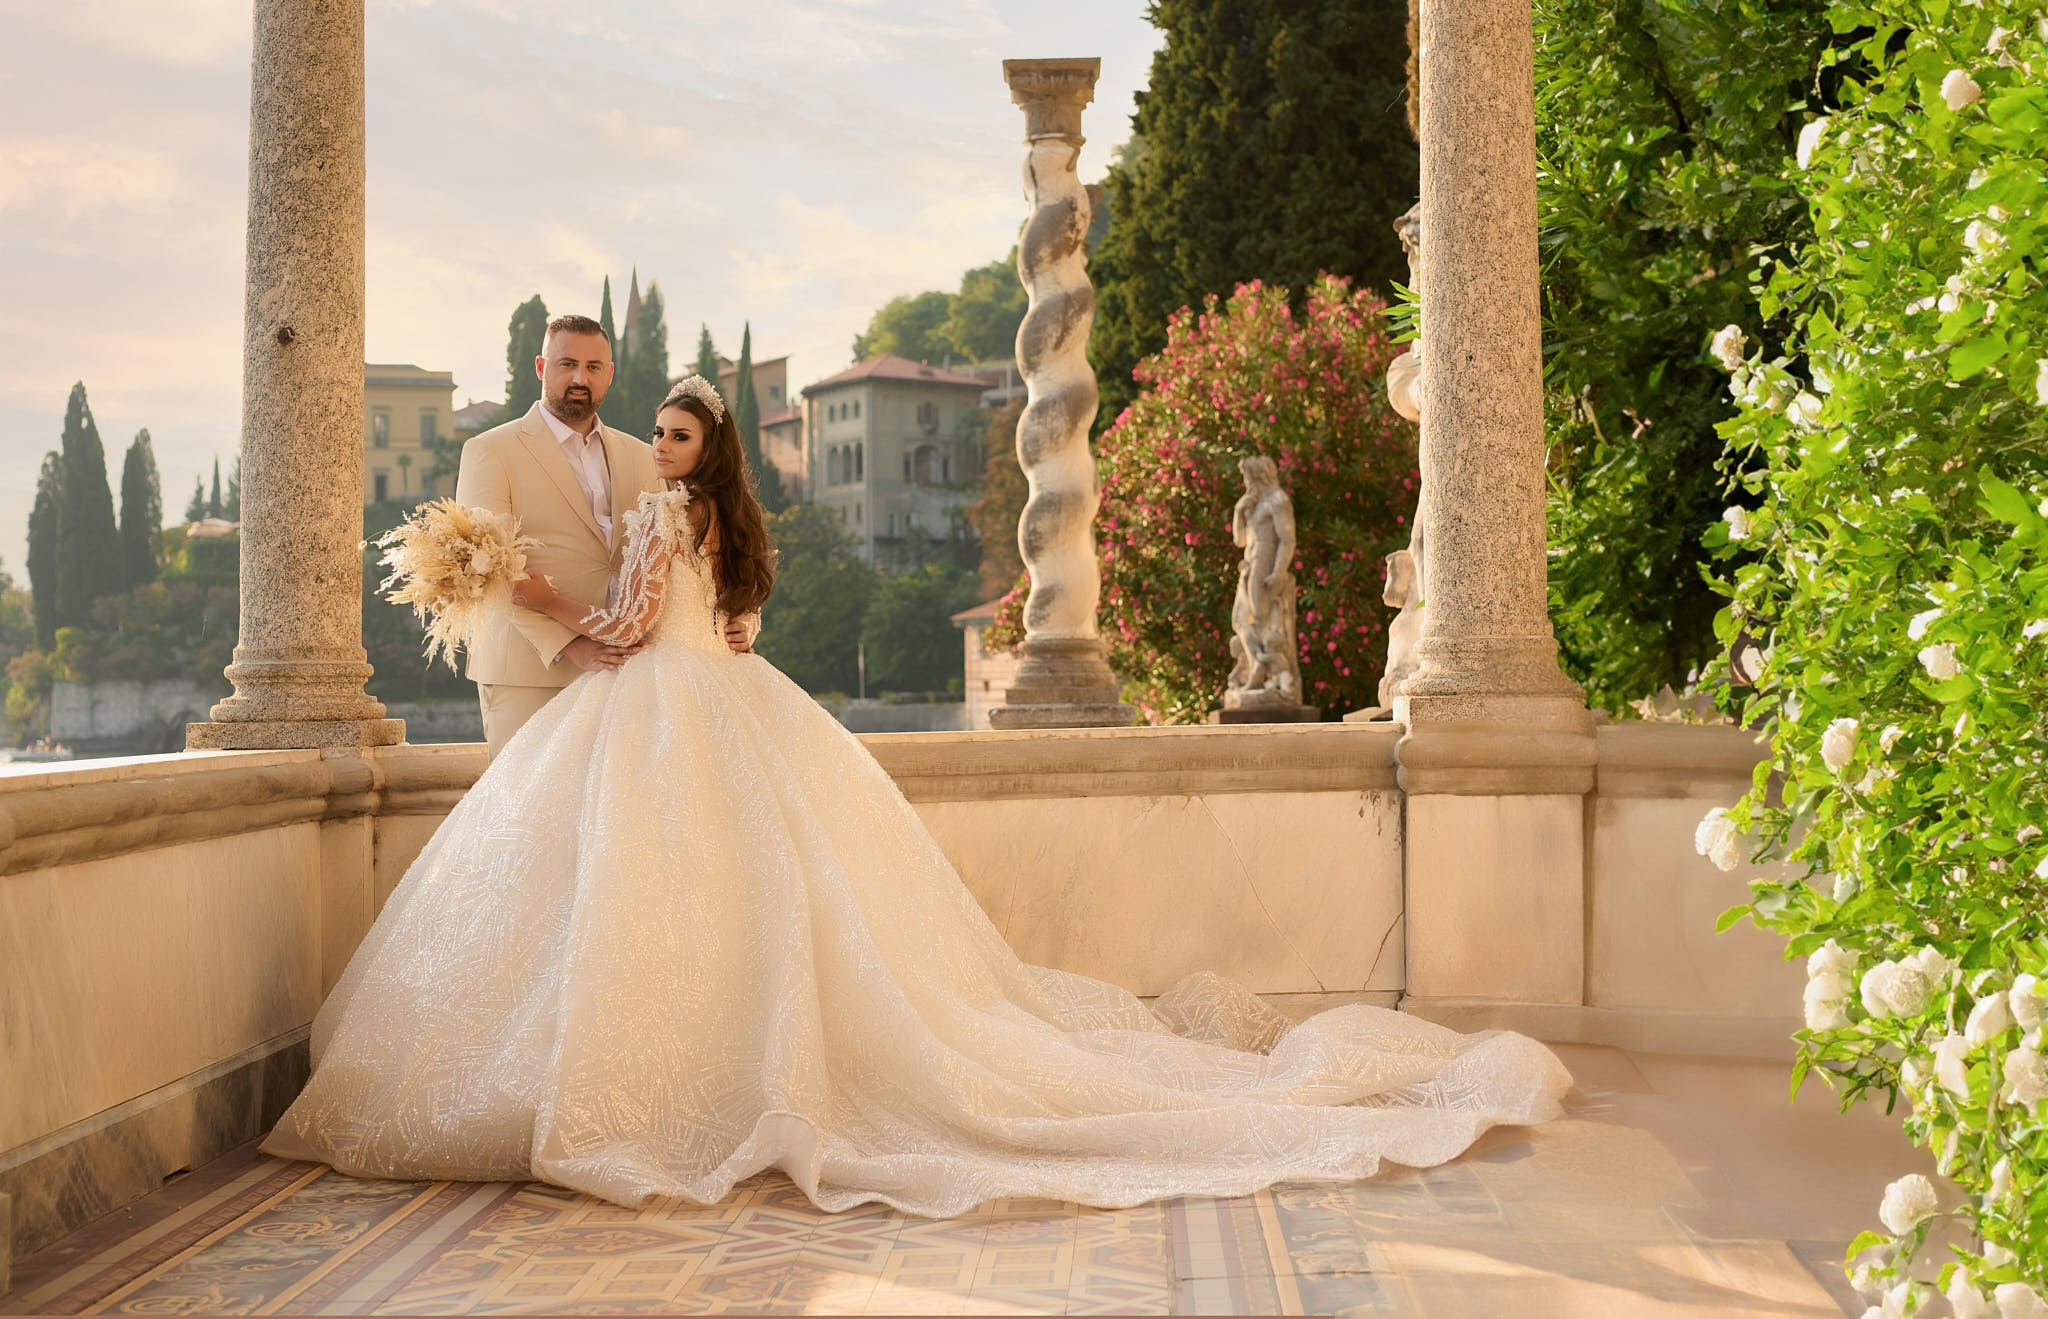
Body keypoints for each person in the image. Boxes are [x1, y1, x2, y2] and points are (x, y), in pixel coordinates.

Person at [262, 377, 1571, 1217]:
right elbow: (732, 630)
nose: (650, 442)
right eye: (654, 428)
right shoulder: (728, 524)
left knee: (642, 891)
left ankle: (675, 1086)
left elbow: (621, 621)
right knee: (743, 897)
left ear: (698, 450)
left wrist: (517, 586)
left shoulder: (664, 520)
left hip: (660, 707)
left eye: (668, 431)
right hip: (731, 701)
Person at [454, 314, 751, 759]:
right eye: (567, 363)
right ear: (541, 367)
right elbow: (485, 570)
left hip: (629, 677)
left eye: (594, 367)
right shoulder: (489, 451)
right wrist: (573, 645)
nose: (580, 377)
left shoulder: (646, 453)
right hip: (531, 671)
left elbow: (697, 553)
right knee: (529, 821)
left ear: (610, 374)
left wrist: (739, 620)